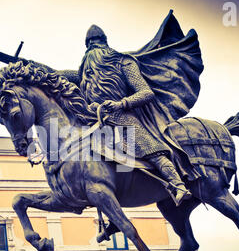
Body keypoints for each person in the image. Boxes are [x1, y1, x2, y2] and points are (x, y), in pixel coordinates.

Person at [43, 11, 204, 206]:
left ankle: (178, 185)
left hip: (124, 117)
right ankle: (108, 209)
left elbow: (146, 92)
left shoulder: (124, 62)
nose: (93, 47)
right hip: (95, 123)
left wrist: (121, 104)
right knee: (89, 166)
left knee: (150, 149)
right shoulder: (84, 71)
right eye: (89, 44)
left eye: (96, 41)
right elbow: (54, 74)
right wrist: (31, 67)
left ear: (105, 42)